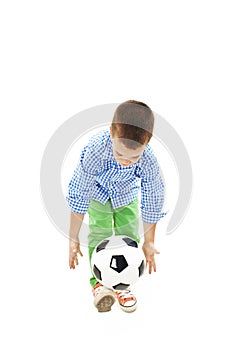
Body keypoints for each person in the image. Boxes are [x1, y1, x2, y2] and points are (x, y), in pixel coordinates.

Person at [67, 100, 166, 313]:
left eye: (134, 157)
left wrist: (149, 242)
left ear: (147, 143)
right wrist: (73, 238)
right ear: (112, 133)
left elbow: (153, 199)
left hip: (127, 195)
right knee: (99, 234)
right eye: (120, 153)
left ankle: (124, 284)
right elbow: (79, 194)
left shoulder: (148, 160)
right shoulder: (95, 150)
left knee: (129, 235)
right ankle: (99, 283)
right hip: (97, 194)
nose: (126, 161)